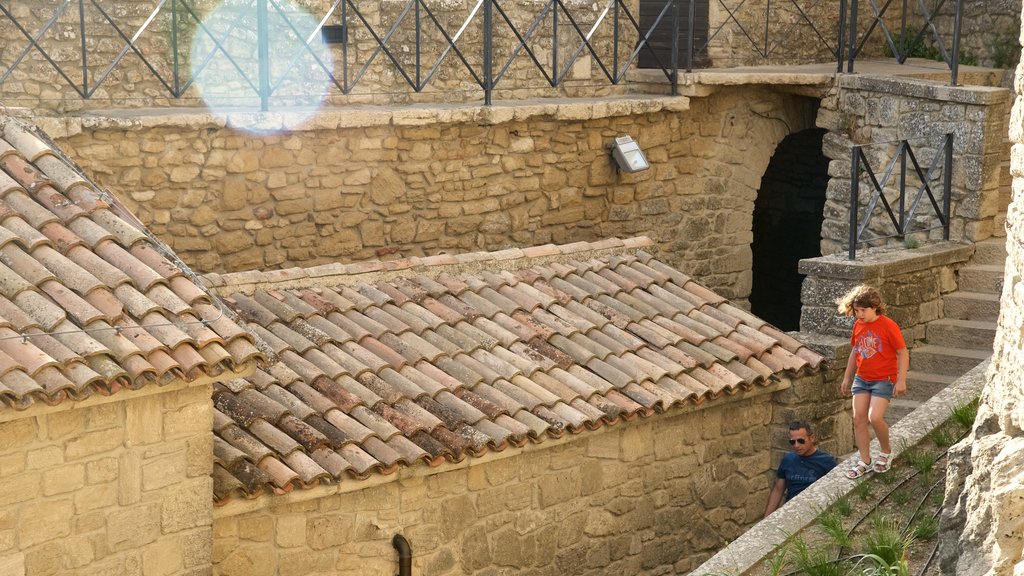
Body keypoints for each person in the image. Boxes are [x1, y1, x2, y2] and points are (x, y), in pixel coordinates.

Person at [837, 284, 908, 479]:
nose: (859, 314)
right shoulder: (858, 325)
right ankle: (865, 460)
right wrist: (846, 377)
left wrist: (901, 380)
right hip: (862, 379)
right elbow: (855, 350)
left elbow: (902, 351)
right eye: (856, 310)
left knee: (874, 417)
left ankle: (885, 451)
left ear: (875, 307)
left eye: (863, 310)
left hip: (883, 379)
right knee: (858, 418)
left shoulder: (888, 325)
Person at [764, 420, 838, 517]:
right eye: (792, 442)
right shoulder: (788, 460)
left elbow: (835, 491)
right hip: (789, 512)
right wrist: (766, 518)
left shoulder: (826, 461)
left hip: (814, 514)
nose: (796, 445)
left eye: (801, 441)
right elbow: (778, 490)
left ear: (812, 438)